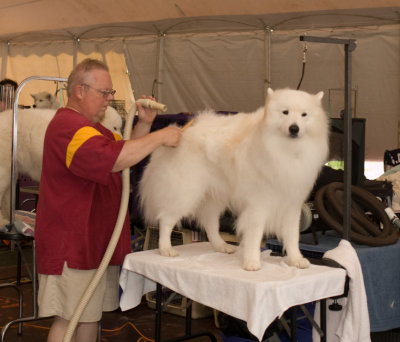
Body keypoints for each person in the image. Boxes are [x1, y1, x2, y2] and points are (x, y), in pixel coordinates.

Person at [35, 58, 182, 342]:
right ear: (80, 91)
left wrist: (145, 125)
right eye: (104, 93)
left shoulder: (90, 128)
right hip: (73, 245)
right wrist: (161, 136)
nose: (109, 100)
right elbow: (112, 158)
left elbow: (122, 152)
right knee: (68, 318)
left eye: (111, 93)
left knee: (89, 316)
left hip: (92, 242)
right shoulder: (68, 127)